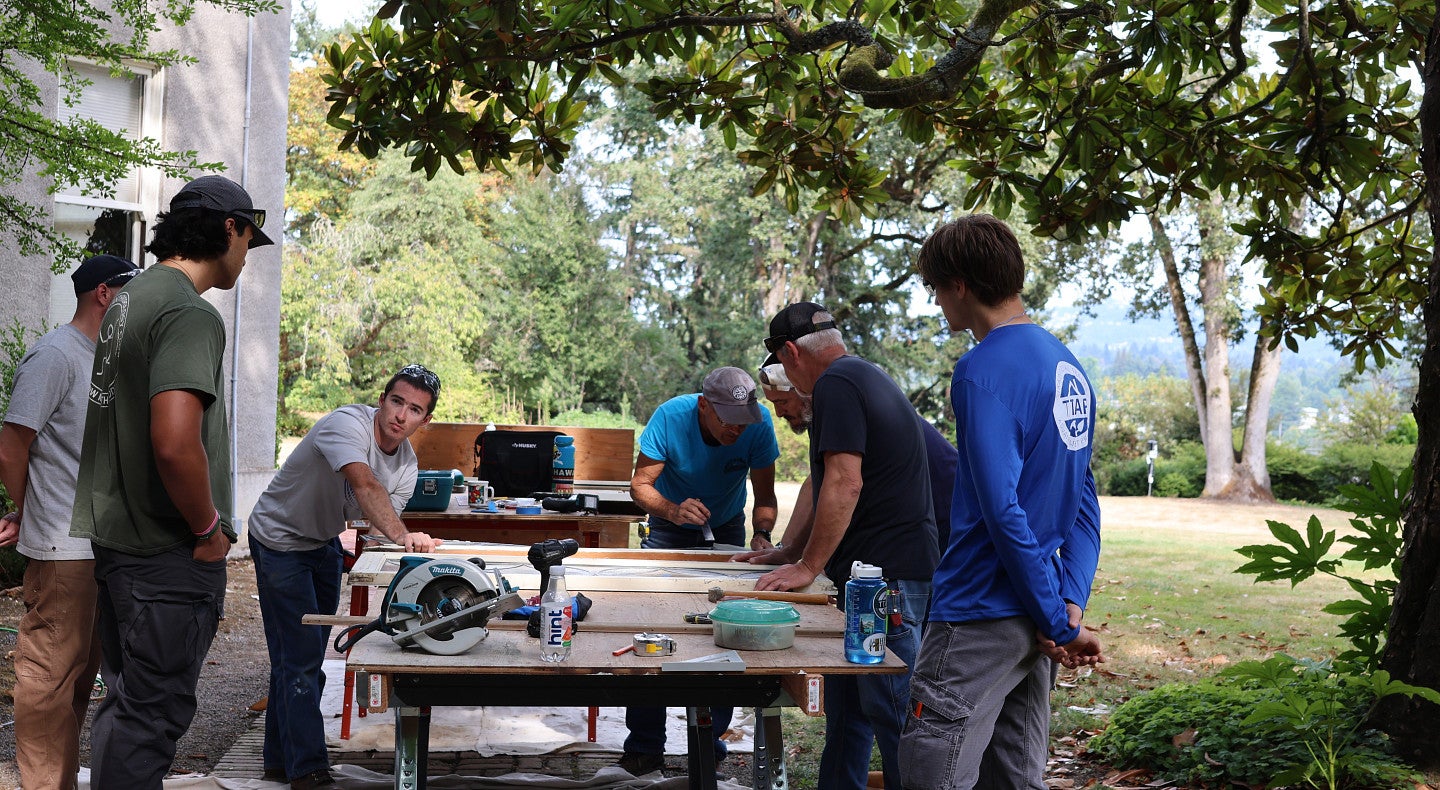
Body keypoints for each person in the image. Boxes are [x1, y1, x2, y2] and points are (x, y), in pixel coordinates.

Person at [69, 175, 273, 789]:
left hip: (120, 548)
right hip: (166, 558)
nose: (245, 257)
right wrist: (209, 529)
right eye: (247, 240)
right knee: (152, 717)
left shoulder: (129, 299)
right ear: (229, 229)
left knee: (129, 710)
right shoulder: (189, 312)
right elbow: (174, 439)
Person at [899, 215, 1103, 789]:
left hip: (978, 612)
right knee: (1016, 778)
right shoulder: (1068, 367)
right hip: (1036, 615)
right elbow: (1083, 499)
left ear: (959, 284)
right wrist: (1067, 605)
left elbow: (1001, 509)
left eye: (937, 289)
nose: (938, 303)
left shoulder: (981, 368)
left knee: (929, 773)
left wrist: (1055, 621)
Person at [738, 306, 939, 789]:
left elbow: (845, 484)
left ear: (790, 353)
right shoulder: (859, 375)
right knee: (850, 712)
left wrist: (809, 565)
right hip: (872, 578)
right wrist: (790, 551)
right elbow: (821, 478)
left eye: (783, 368)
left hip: (887, 579)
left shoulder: (836, 385)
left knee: (894, 712)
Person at [246, 365, 444, 789]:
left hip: (322, 544)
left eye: (414, 409)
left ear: (424, 420)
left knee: (301, 660)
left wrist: (412, 552)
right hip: (279, 541)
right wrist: (406, 536)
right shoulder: (345, 425)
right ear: (381, 399)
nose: (400, 415)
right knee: (301, 662)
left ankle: (279, 762)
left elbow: (373, 529)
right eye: (396, 401)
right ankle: (309, 771)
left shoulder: (407, 465)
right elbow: (366, 486)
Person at [0, 255, 138, 790]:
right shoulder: (55, 354)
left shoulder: (102, 359)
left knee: (79, 678)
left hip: (100, 548)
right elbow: (13, 443)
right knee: (49, 679)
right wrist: (28, 506)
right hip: (63, 550)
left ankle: (59, 781)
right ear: (104, 294)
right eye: (131, 291)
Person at [619, 366, 781, 776]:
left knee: (723, 628)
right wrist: (673, 510)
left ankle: (707, 745)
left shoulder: (757, 428)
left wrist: (762, 535)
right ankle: (644, 746)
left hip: (726, 527)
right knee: (650, 628)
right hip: (668, 527)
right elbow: (639, 486)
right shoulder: (671, 417)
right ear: (704, 405)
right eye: (728, 420)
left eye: (743, 421)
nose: (737, 431)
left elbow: (765, 497)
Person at [757, 352, 958, 548]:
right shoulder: (822, 412)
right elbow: (818, 483)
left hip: (950, 506)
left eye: (782, 402)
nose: (779, 412)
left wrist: (800, 559)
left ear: (802, 389)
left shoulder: (836, 404)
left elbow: (836, 484)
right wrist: (787, 550)